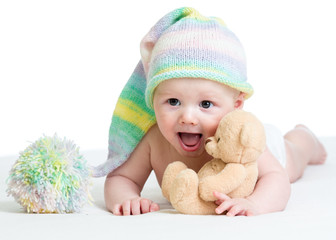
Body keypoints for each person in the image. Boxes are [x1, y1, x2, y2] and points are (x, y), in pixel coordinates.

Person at [98, 7, 327, 216]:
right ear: (152, 100)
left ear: (236, 105)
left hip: (268, 146)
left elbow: (277, 179)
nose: (187, 118)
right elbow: (121, 177)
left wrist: (255, 203)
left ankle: (306, 138)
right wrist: (127, 197)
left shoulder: (241, 138)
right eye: (173, 101)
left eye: (205, 104)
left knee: (294, 160)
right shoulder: (154, 141)